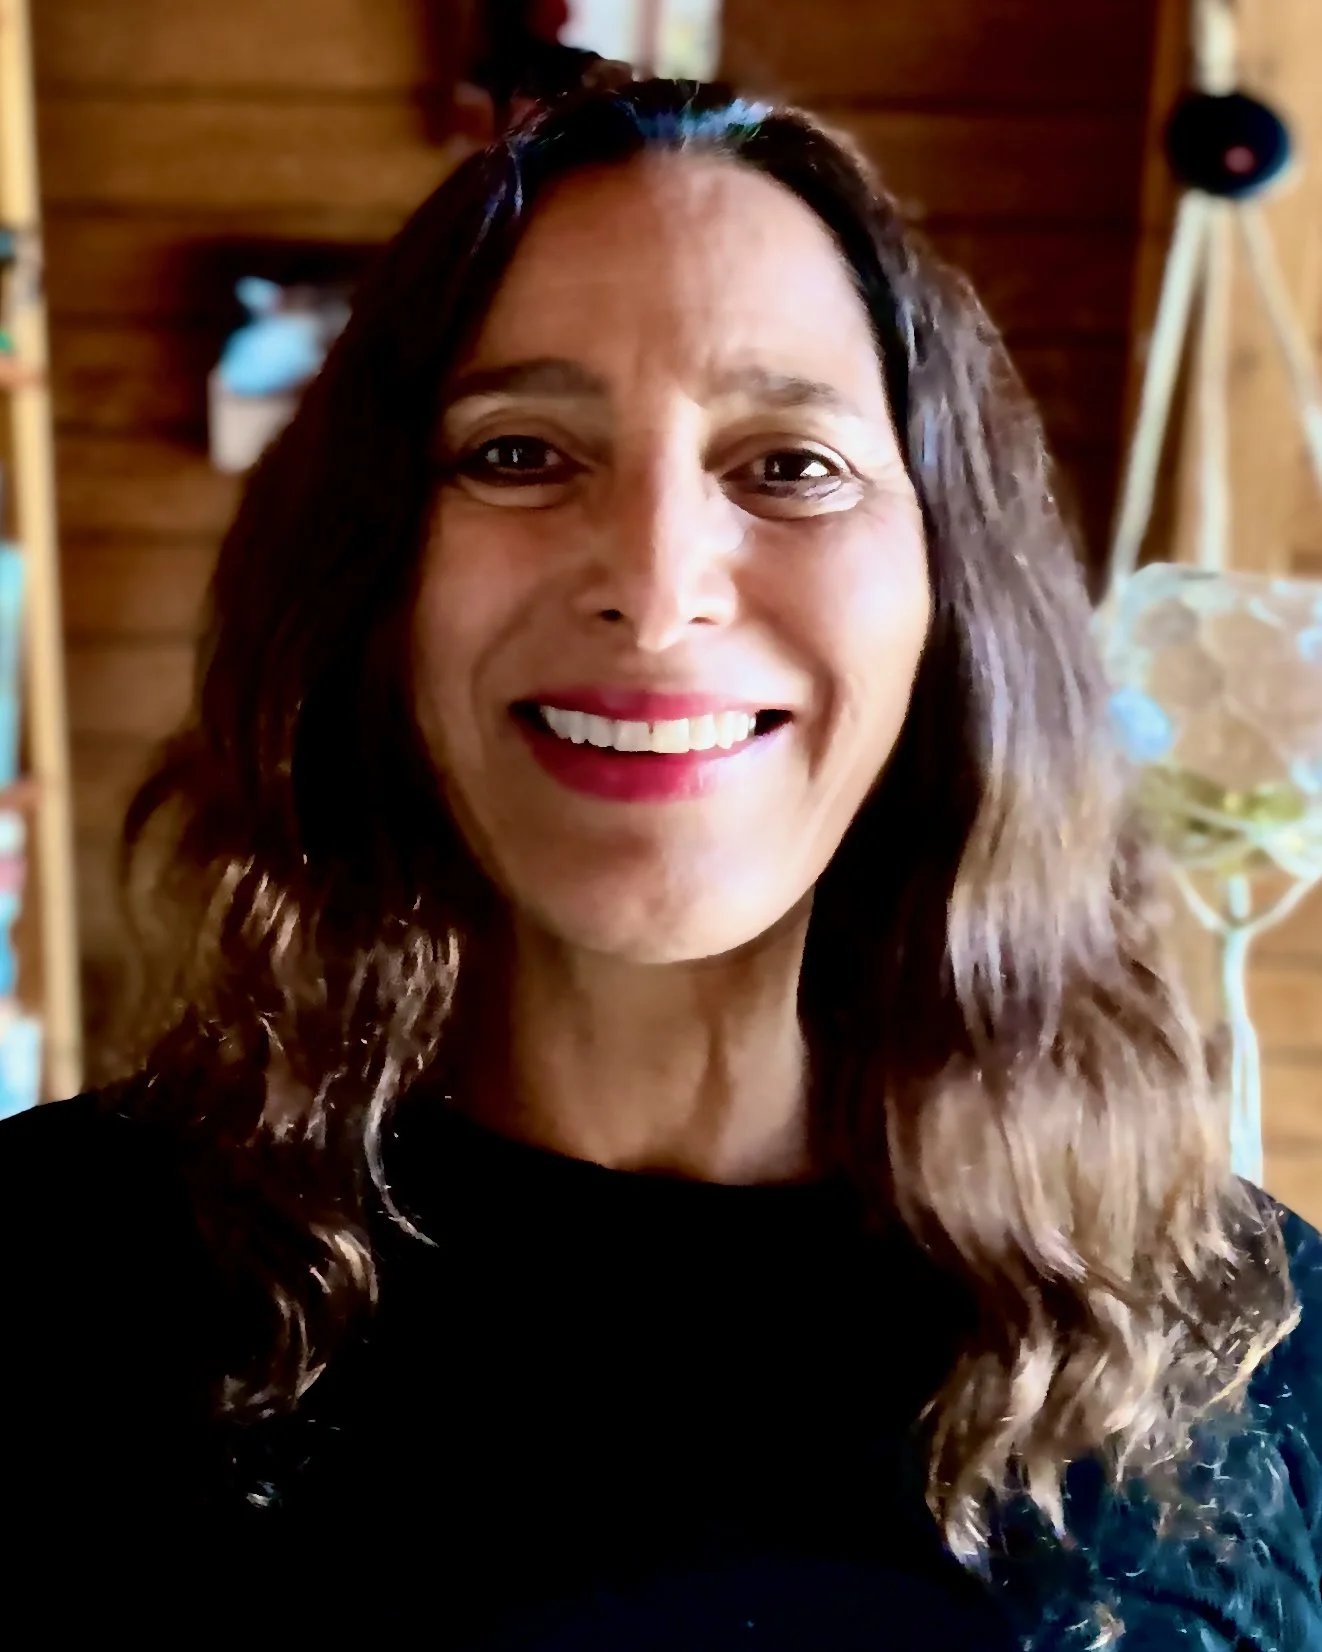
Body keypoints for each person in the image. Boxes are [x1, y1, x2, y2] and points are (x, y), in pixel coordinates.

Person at [3, 79, 1320, 1649]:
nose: (654, 578)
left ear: (946, 599)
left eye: (788, 464)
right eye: (515, 453)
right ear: (373, 586)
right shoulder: (46, 1280)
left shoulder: (1251, 1339)